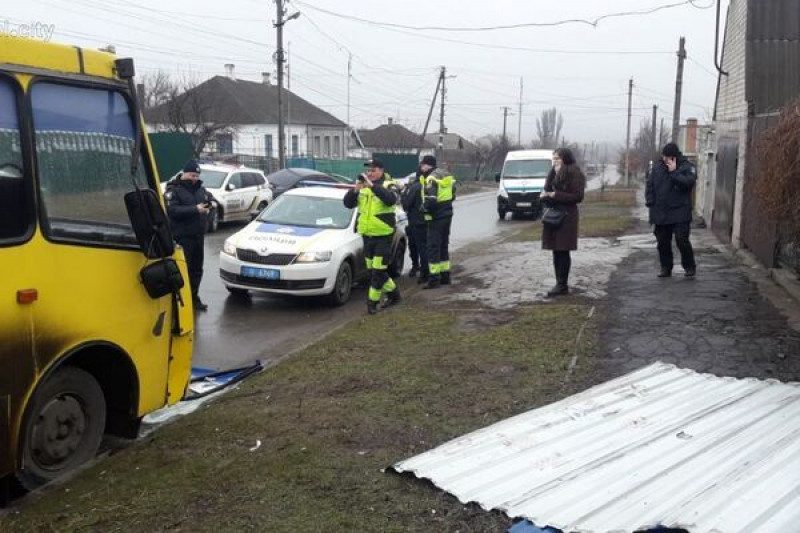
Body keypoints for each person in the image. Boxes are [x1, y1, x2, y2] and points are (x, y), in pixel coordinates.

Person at [343, 159, 402, 315]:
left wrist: (372, 186)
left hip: (383, 235)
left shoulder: (389, 184)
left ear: (381, 171)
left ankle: (372, 303)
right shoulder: (363, 188)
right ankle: (394, 295)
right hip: (367, 235)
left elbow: (391, 200)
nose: (369, 173)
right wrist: (355, 190)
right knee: (374, 272)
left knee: (377, 272)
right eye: (368, 171)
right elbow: (347, 204)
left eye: (373, 170)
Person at [645, 142, 697, 278]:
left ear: (674, 157)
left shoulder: (687, 166)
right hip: (661, 211)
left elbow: (688, 183)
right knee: (662, 242)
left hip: (680, 211)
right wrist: (650, 201)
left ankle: (689, 266)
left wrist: (673, 172)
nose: (665, 159)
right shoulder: (657, 168)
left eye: (668, 157)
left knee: (681, 240)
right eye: (664, 157)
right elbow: (650, 185)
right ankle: (665, 267)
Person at [166, 160, 211, 311]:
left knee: (197, 269)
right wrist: (195, 209)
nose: (194, 178)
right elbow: (172, 211)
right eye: (192, 175)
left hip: (198, 236)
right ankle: (180, 301)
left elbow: (209, 201)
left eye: (197, 176)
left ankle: (194, 298)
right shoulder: (174, 190)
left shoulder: (201, 189)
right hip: (182, 237)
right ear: (184, 173)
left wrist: (209, 206)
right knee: (182, 270)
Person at [540, 147, 585, 297]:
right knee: (555, 249)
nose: (555, 161)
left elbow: (578, 196)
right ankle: (558, 282)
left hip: (567, 216)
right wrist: (546, 195)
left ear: (565, 158)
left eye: (558, 158)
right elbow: (547, 188)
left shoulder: (574, 172)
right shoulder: (553, 171)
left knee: (563, 249)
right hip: (553, 214)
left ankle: (562, 284)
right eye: (553, 158)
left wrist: (556, 194)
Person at [420, 155, 456, 289]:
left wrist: (423, 209)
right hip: (447, 215)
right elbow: (453, 194)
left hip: (435, 218)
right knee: (443, 246)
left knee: (433, 248)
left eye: (423, 165)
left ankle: (434, 279)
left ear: (428, 165)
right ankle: (445, 276)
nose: (421, 167)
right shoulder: (446, 175)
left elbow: (431, 200)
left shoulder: (431, 178)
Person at [401, 168, 429, 283]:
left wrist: (403, 195)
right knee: (427, 246)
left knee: (416, 246)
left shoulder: (415, 187)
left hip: (416, 221)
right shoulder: (430, 185)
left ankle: (419, 269)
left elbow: (406, 205)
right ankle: (425, 269)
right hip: (429, 220)